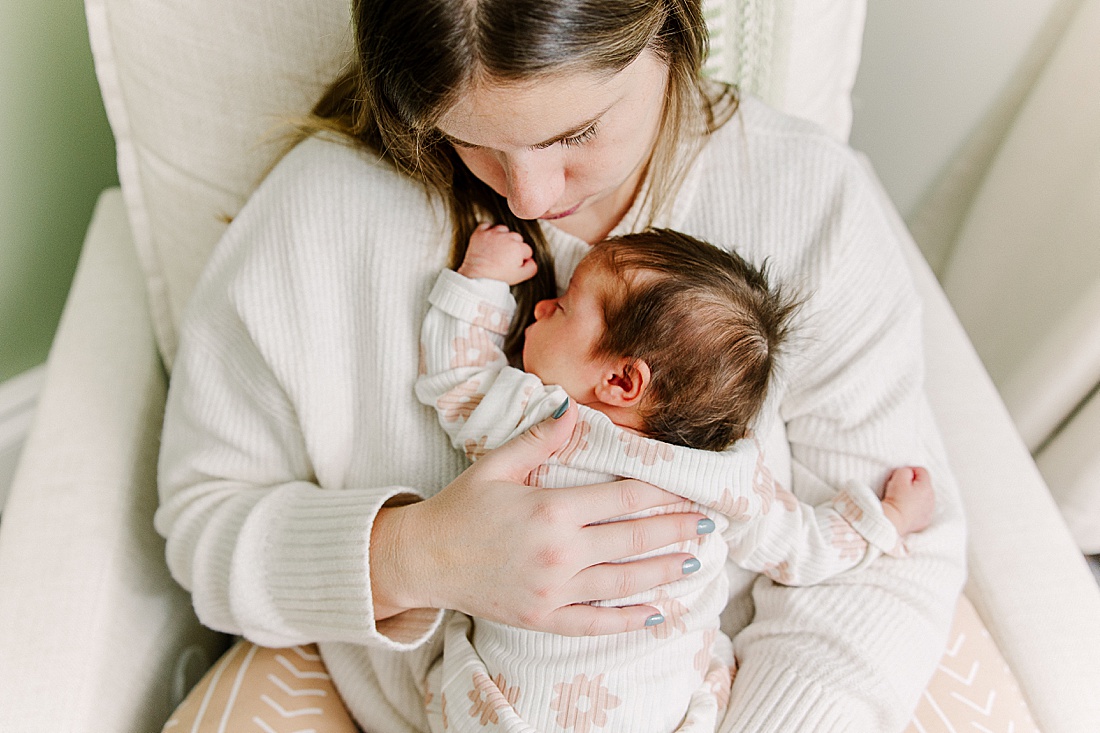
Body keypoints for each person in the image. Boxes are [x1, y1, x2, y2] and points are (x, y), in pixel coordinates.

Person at [154, 1, 966, 731]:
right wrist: (419, 553)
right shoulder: (321, 214)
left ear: (668, 26)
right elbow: (204, 524)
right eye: (467, 139)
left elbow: (881, 566)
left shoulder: (808, 198)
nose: (530, 197)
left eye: (576, 133)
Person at [415, 223, 935, 731]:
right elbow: (802, 548)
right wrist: (883, 519)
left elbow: (458, 380)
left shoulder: (545, 420)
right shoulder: (726, 477)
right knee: (713, 667)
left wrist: (482, 279)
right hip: (657, 712)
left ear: (621, 380)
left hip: (504, 708)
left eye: (566, 305)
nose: (544, 306)